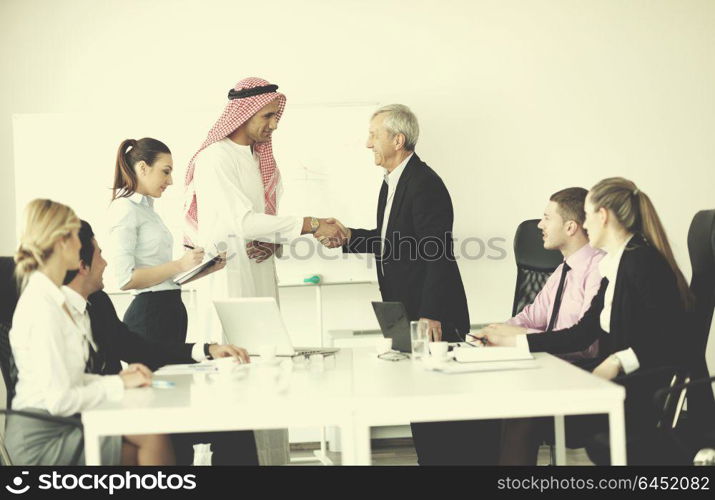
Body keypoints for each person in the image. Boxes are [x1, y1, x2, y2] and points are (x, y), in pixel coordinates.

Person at [184, 77, 345, 465]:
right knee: (236, 380)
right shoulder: (215, 159)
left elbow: (260, 222)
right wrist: (311, 224)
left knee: (268, 370)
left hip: (258, 275)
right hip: (229, 280)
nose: (275, 125)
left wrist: (274, 240)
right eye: (270, 116)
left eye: (276, 117)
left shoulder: (255, 158)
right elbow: (241, 221)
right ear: (245, 113)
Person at [479, 177, 692, 464]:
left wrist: (617, 362)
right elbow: (582, 333)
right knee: (519, 407)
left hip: (639, 390)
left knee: (524, 413)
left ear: (602, 216)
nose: (584, 224)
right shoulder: (617, 263)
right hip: (614, 379)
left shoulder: (642, 263)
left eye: (588, 216)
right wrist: (517, 341)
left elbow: (671, 339)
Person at [330, 104, 474, 465]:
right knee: (421, 411)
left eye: (373, 135)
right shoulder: (392, 183)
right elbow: (394, 241)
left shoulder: (424, 183)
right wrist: (348, 238)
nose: (367, 144)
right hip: (404, 311)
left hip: (431, 317)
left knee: (440, 418)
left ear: (398, 139)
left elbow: (438, 252)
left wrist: (430, 315)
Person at [62, 219, 259, 465]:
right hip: (89, 419)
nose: (105, 263)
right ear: (82, 266)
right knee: (158, 436)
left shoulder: (98, 302)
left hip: (121, 409)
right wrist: (120, 382)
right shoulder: (54, 316)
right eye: (99, 254)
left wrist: (208, 349)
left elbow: (142, 348)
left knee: (234, 422)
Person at [6, 199, 174, 465]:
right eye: (74, 234)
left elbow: (73, 380)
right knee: (150, 439)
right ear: (62, 242)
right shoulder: (41, 307)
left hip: (64, 420)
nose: (79, 242)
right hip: (43, 435)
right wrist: (118, 384)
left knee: (150, 434)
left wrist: (121, 378)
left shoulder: (59, 299)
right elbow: (60, 399)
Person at [480, 187, 604, 464]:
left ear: (571, 226)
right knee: (488, 400)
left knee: (521, 409)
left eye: (547, 218)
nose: (539, 225)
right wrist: (495, 330)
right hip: (550, 367)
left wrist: (518, 336)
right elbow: (532, 315)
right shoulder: (563, 269)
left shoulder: (597, 268)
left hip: (582, 372)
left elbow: (587, 340)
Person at [108, 137, 222, 346]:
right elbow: (125, 279)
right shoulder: (124, 209)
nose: (170, 181)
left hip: (169, 312)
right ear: (143, 168)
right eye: (166, 171)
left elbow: (160, 274)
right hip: (151, 316)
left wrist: (202, 269)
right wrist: (180, 264)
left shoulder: (147, 210)